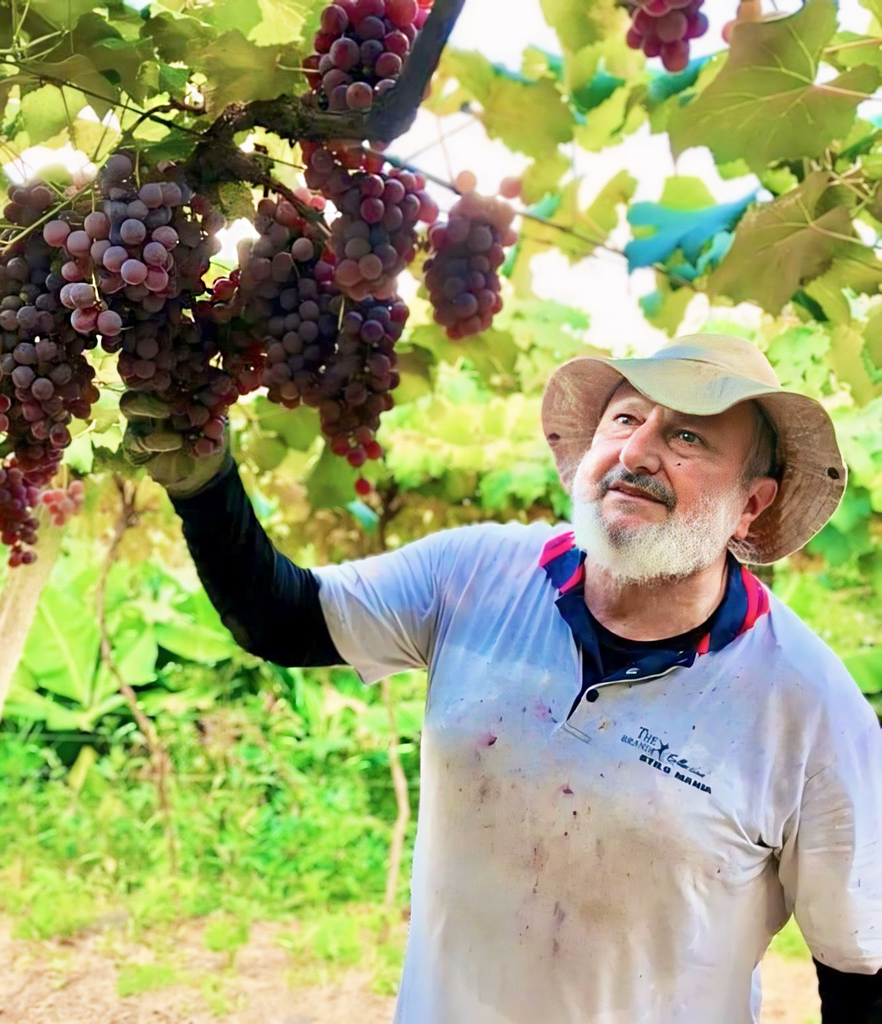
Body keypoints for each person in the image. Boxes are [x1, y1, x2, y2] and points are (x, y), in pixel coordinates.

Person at [123, 333, 882, 1023]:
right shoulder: (475, 574)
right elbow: (282, 621)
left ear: (751, 506)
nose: (639, 452)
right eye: (625, 420)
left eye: (687, 436)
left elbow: (856, 968)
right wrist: (205, 487)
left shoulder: (806, 705)